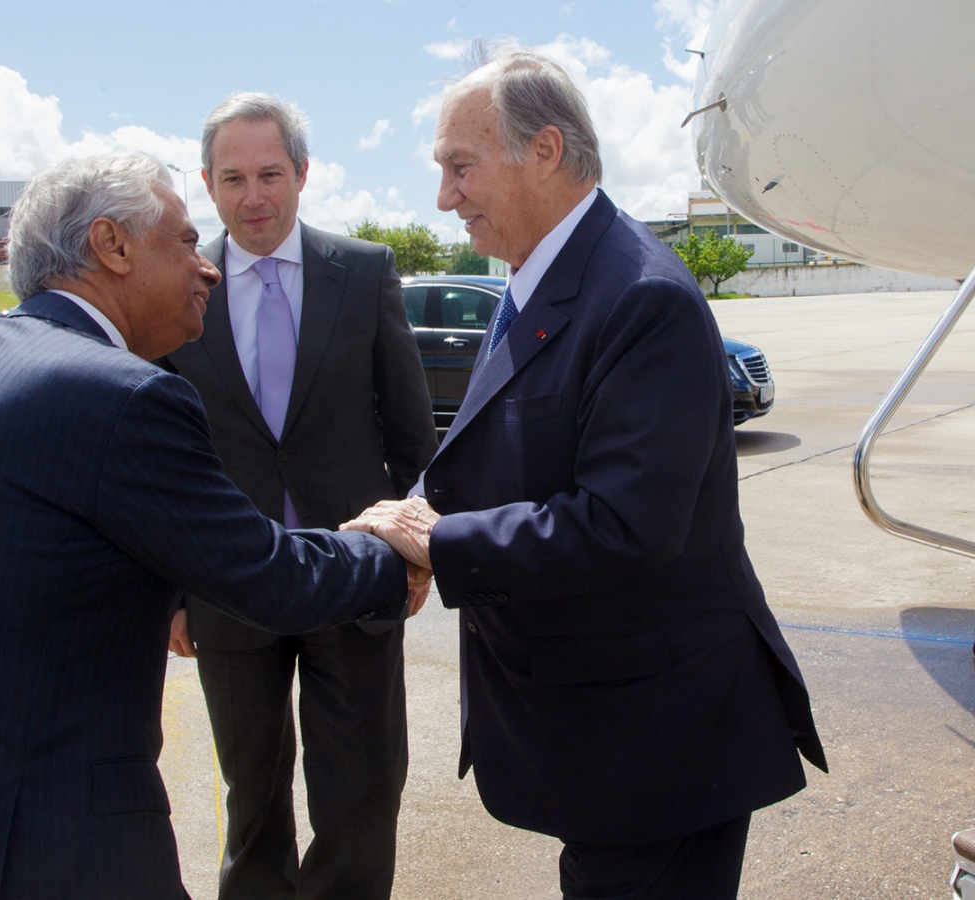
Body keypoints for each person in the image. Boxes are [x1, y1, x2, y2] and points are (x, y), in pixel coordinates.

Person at [0, 152, 421, 900]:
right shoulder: (123, 395)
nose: (210, 269)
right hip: (55, 852)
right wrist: (392, 547)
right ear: (112, 245)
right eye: (187, 242)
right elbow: (267, 576)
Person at [344, 48, 827, 900]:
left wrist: (439, 543)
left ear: (545, 151)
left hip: (660, 747)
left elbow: (622, 524)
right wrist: (417, 510)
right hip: (603, 740)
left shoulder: (643, 298)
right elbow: (508, 443)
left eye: (461, 166)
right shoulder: (542, 275)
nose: (444, 197)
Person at [161, 93, 436, 900]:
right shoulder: (181, 289)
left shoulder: (366, 271)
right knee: (252, 802)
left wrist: (417, 552)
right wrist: (172, 590)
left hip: (350, 578)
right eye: (234, 177)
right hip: (228, 585)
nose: (255, 197)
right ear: (208, 185)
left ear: (304, 175)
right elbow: (160, 460)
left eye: (271, 174)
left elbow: (411, 435)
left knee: (362, 795)